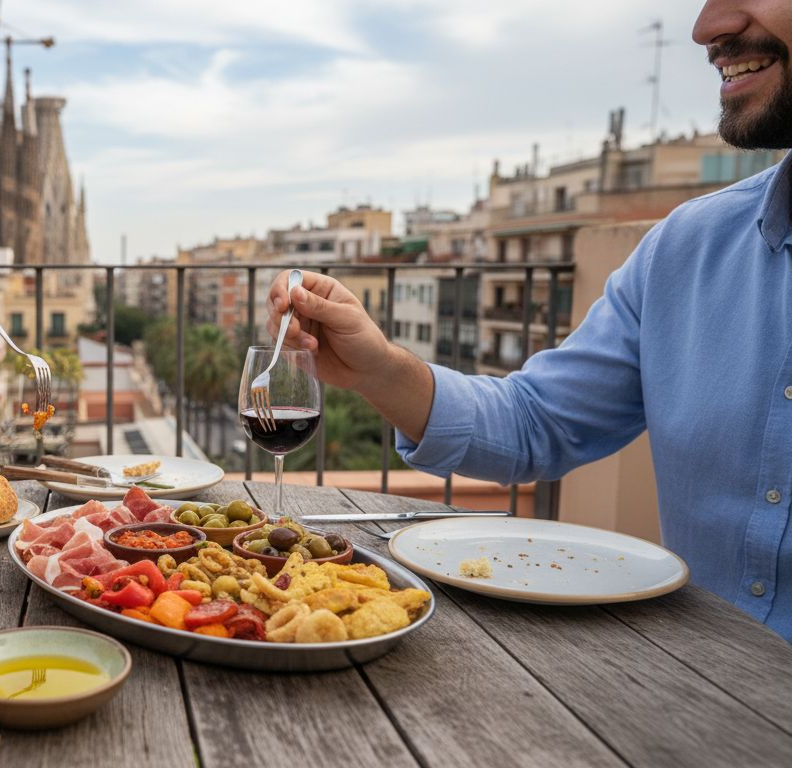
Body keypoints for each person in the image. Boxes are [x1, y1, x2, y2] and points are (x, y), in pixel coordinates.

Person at [266, 0, 792, 644]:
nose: (707, 27)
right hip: (689, 685)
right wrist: (378, 367)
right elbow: (536, 424)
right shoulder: (687, 247)